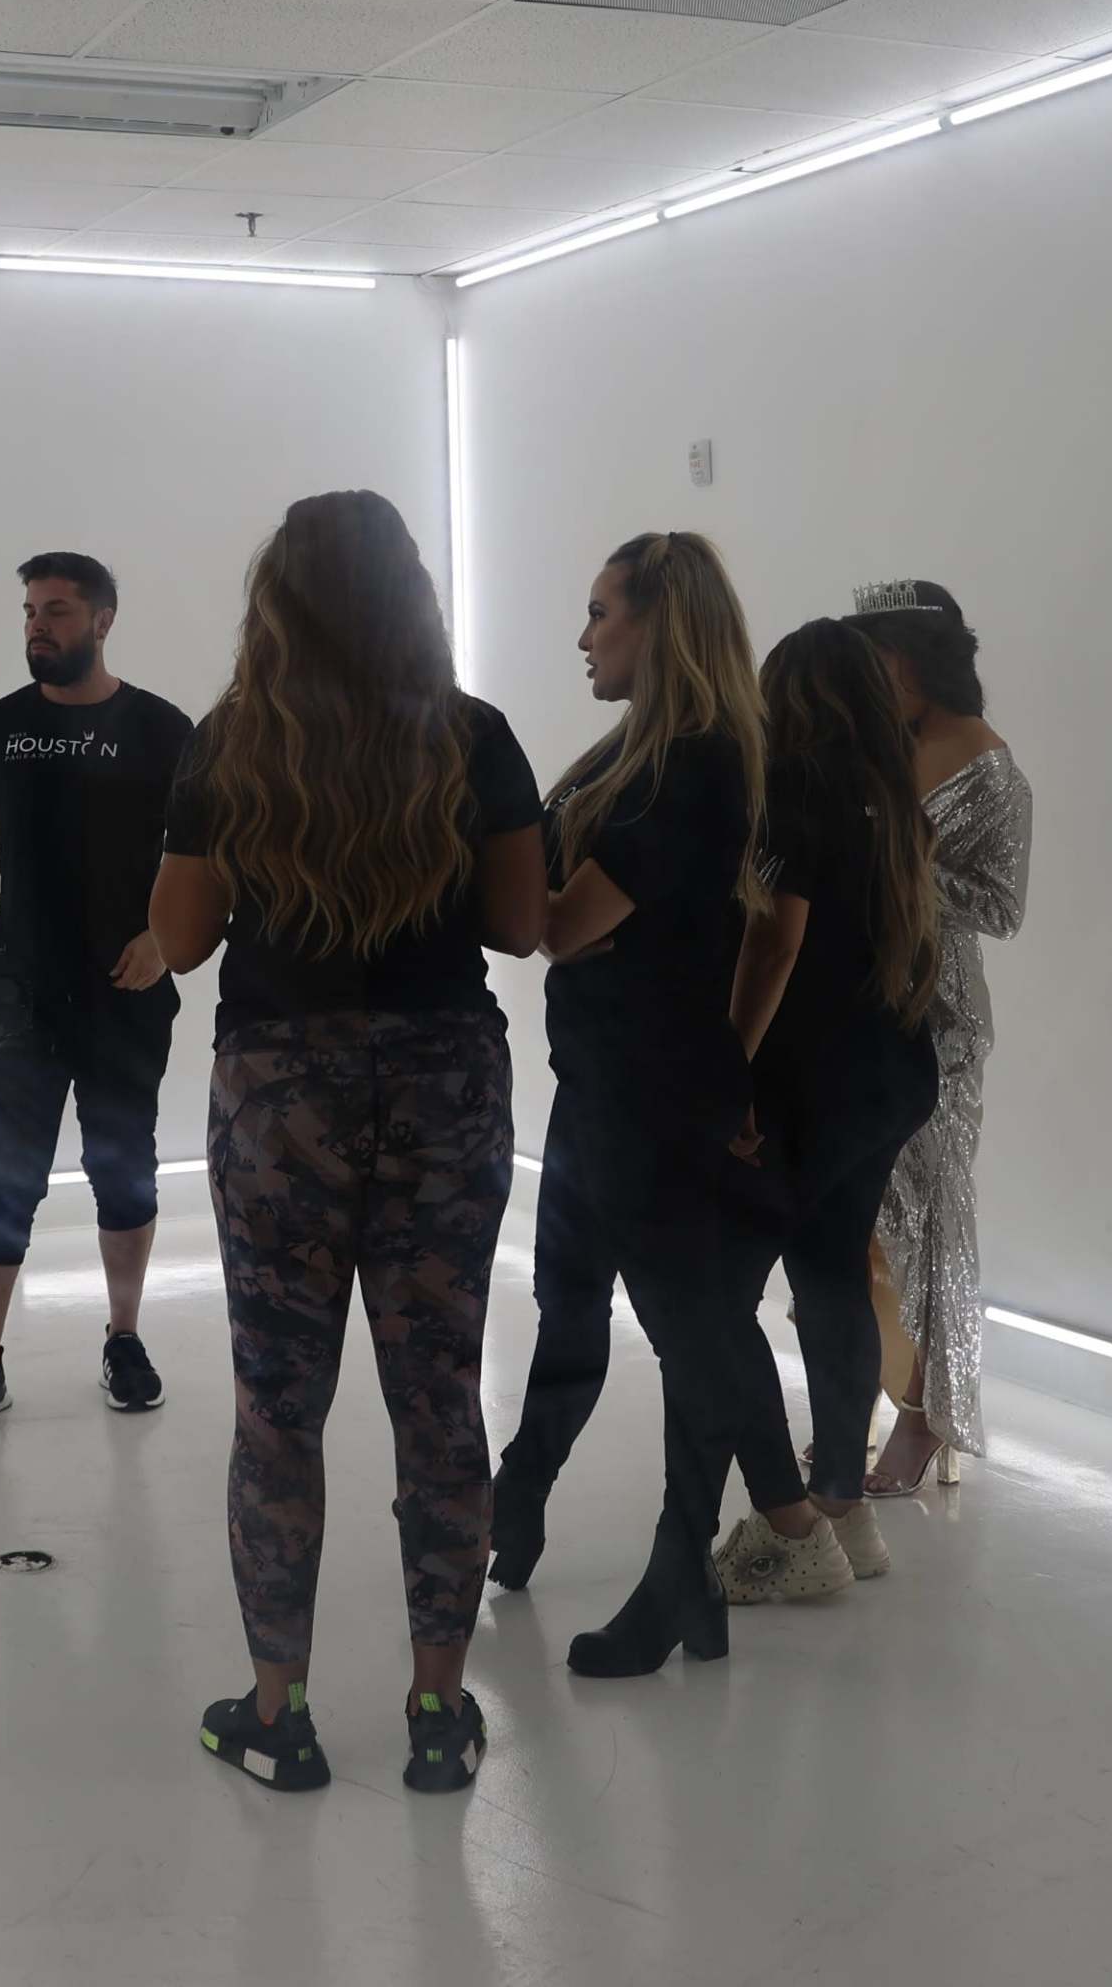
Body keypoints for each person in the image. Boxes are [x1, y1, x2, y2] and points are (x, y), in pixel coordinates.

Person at [148, 491, 546, 1794]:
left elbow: (187, 934)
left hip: (282, 1095)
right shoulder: (474, 736)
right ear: (411, 596)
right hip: (442, 1083)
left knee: (279, 1405)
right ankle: (438, 1707)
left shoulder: (229, 747)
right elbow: (522, 923)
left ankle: (279, 1708)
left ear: (279, 604)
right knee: (439, 1395)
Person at [502, 532, 781, 1679]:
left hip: (655, 1094)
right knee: (574, 1304)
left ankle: (680, 1572)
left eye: (600, 612)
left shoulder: (692, 767)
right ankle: (516, 1503)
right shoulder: (645, 758)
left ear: (659, 623)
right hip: (606, 1083)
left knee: (687, 1332)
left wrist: (487, 864)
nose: (583, 636)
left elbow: (557, 926)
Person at [0, 551, 192, 1435]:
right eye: (31, 609)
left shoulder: (161, 727)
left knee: (125, 1169)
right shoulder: (0, 725)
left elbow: (206, 857)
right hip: (16, 995)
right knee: (6, 1174)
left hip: (125, 990)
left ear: (103, 619)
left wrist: (166, 941)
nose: (39, 623)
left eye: (59, 610)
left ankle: (123, 1337)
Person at [708, 619, 943, 1602]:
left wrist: (729, 1075)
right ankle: (843, 1508)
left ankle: (789, 1525)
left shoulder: (793, 791)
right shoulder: (896, 805)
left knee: (716, 1297)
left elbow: (775, 946)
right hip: (889, 1072)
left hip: (810, 1084)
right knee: (835, 1279)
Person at [848, 580, 1030, 1496]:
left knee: (928, 1214)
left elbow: (1002, 905)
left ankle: (927, 1420)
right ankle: (866, 1399)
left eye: (880, 659)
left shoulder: (990, 768)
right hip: (858, 1001)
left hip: (940, 1019)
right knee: (860, 1216)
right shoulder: (881, 746)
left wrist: (902, 869)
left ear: (920, 659)